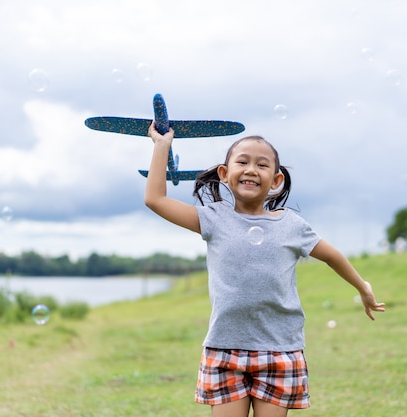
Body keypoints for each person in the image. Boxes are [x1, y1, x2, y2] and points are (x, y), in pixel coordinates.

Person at [144, 122, 385, 417]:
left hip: (279, 350)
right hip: (225, 349)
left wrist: (363, 287)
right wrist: (161, 145)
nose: (250, 169)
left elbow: (332, 256)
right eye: (242, 161)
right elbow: (155, 200)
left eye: (262, 164)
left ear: (276, 179)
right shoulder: (214, 218)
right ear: (224, 173)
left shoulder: (292, 226)